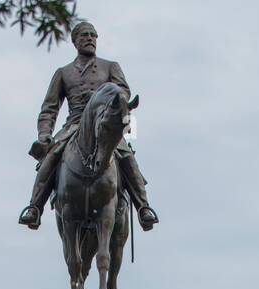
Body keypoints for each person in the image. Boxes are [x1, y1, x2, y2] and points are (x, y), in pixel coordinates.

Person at [19, 18, 159, 232]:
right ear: (75, 41)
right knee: (52, 156)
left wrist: (109, 99)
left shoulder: (110, 66)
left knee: (126, 156)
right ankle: (34, 207)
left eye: (93, 36)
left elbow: (124, 92)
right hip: (74, 125)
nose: (90, 39)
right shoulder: (63, 72)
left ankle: (143, 207)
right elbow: (49, 108)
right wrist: (44, 134)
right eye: (85, 35)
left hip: (103, 124)